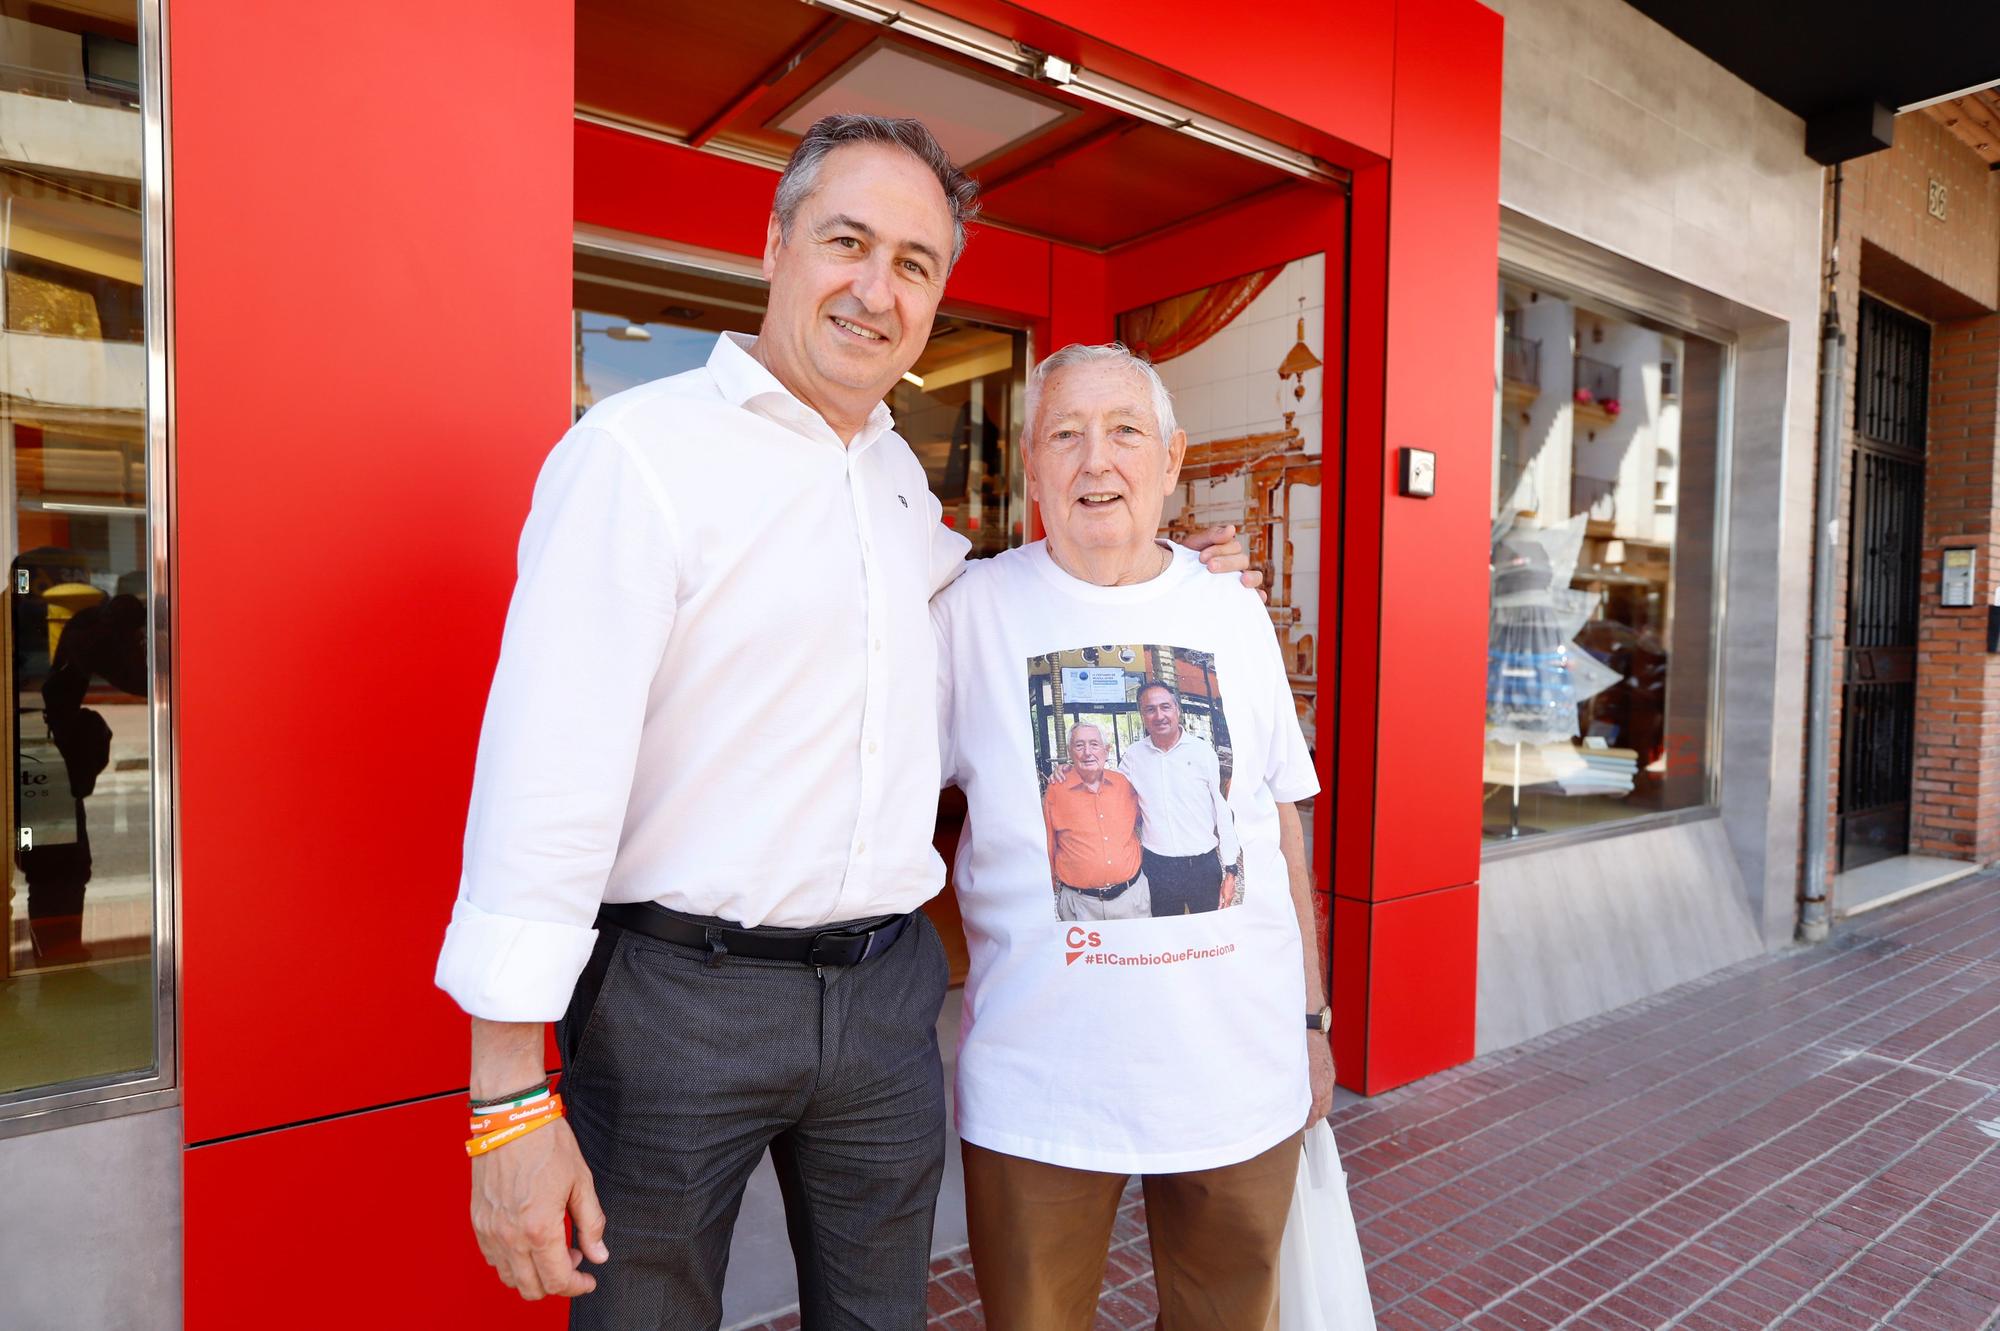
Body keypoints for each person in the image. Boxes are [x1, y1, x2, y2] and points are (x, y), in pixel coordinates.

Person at [433, 115, 1256, 1329]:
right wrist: (505, 1092)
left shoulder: (896, 480)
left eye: (915, 264)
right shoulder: (636, 455)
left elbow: (1005, 608)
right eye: (847, 241)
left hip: (882, 1003)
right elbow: (544, 773)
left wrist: (1168, 580)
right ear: (774, 245)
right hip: (676, 1000)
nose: (876, 289)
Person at [932, 342, 1335, 1330]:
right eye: (1064, 435)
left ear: (1171, 456)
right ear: (1030, 467)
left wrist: (1311, 1019)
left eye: (1122, 431)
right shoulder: (966, 613)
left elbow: (1279, 818)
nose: (1094, 461)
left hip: (1237, 1072)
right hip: (1039, 1087)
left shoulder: (1233, 615)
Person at [1120, 679, 1240, 916]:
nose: (1159, 715)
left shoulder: (1201, 752)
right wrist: (1068, 773)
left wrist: (1231, 870)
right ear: (1142, 716)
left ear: (1177, 710)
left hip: (1203, 867)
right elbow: (1107, 787)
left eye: (1165, 707)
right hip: (1158, 867)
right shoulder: (1134, 756)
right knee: (1167, 942)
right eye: (1150, 709)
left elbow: (1222, 811)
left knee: (1208, 937)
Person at [1043, 722, 1151, 921]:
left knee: (1136, 952)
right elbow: (1049, 844)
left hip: (1131, 900)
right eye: (1079, 745)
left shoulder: (1124, 784)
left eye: (1094, 744)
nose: (1087, 753)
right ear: (1070, 752)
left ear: (1106, 750)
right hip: (1080, 905)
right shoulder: (1056, 790)